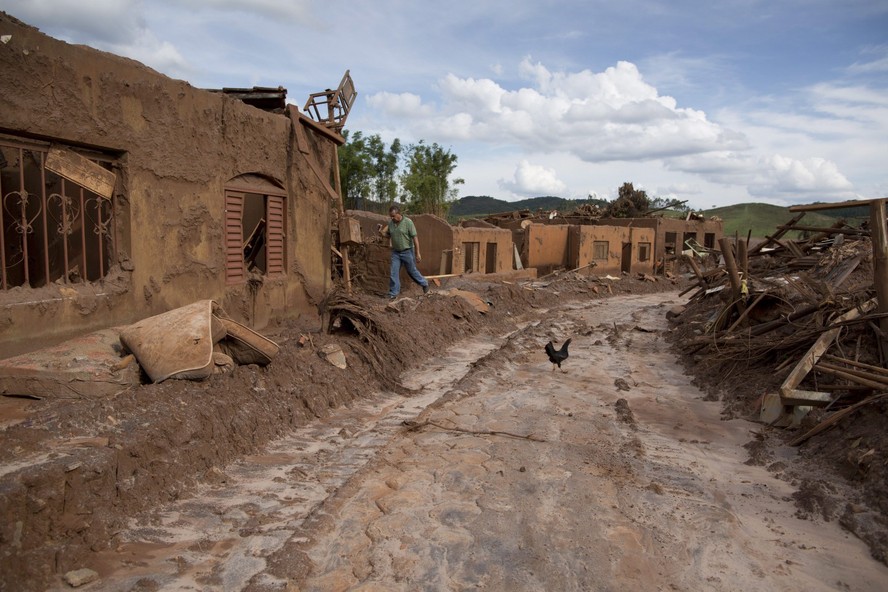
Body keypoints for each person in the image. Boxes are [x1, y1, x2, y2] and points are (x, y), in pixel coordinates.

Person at [379, 205, 430, 299]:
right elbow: (388, 235)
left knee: (412, 271)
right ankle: (393, 294)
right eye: (391, 216)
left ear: (399, 214)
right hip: (396, 252)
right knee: (393, 272)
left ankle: (425, 283)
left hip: (407, 251)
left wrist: (417, 253)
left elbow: (415, 238)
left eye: (393, 216)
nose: (392, 218)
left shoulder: (408, 222)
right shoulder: (391, 223)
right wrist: (381, 232)